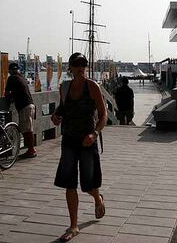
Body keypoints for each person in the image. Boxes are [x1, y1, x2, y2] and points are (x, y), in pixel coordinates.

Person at [51, 52, 107, 242]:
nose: (80, 66)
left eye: (83, 63)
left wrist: (95, 134)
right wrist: (56, 116)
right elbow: (62, 108)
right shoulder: (64, 87)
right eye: (76, 63)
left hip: (87, 140)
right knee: (69, 183)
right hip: (68, 140)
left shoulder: (92, 86)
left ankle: (98, 198)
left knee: (88, 183)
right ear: (71, 67)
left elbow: (103, 114)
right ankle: (74, 225)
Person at [5, 62, 36, 158]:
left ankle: (31, 151)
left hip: (24, 106)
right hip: (30, 105)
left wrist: (10, 98)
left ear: (10, 71)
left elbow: (6, 94)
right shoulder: (21, 77)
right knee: (26, 128)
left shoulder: (12, 78)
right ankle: (30, 150)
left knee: (27, 130)